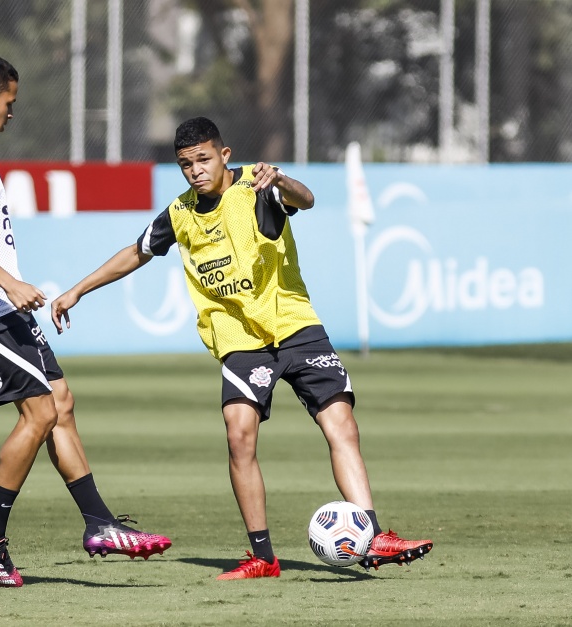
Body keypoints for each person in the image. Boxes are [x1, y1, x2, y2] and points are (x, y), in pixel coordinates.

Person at [51, 117, 434, 580]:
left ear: (225, 155)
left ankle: (372, 537)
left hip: (295, 326)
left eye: (203, 159)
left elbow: (305, 200)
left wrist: (282, 180)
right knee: (239, 435)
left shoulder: (258, 186)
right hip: (239, 341)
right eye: (185, 164)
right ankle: (262, 557)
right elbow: (136, 252)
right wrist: (78, 290)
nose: (195, 170)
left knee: (341, 424)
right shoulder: (181, 213)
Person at [0, 52, 171, 588]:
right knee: (40, 414)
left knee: (60, 402)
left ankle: (99, 523)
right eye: (9, 102)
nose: (10, 114)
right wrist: (2, 284)